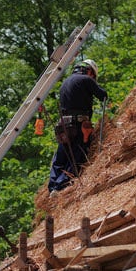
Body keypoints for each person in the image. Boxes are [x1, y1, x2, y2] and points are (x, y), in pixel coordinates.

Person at [47, 59, 108, 194]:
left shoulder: (65, 83)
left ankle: (52, 186)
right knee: (78, 154)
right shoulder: (86, 79)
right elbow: (103, 95)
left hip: (63, 126)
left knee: (62, 156)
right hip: (78, 124)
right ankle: (61, 187)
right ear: (90, 71)